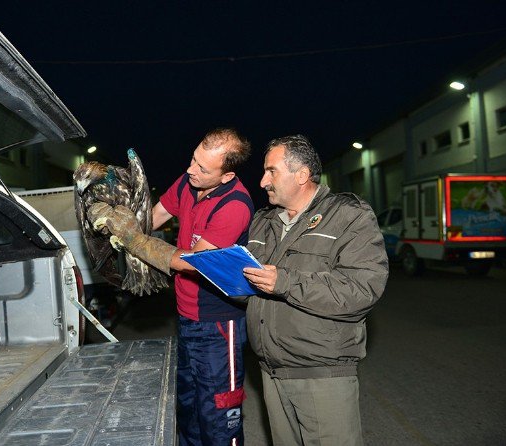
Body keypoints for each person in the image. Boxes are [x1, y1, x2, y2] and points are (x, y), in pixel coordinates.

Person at [88, 128, 255, 445]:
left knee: (219, 416)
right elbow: (159, 214)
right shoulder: (191, 181)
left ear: (226, 175)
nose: (191, 169)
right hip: (186, 316)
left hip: (218, 324)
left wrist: (135, 241)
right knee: (188, 408)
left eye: (203, 168)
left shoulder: (235, 206)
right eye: (193, 159)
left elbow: (192, 263)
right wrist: (122, 227)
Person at [241, 135, 389, 445]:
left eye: (271, 171)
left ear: (302, 175)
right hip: (270, 370)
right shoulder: (263, 221)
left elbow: (362, 289)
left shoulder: (349, 216)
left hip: (320, 375)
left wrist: (285, 282)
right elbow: (252, 289)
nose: (262, 181)